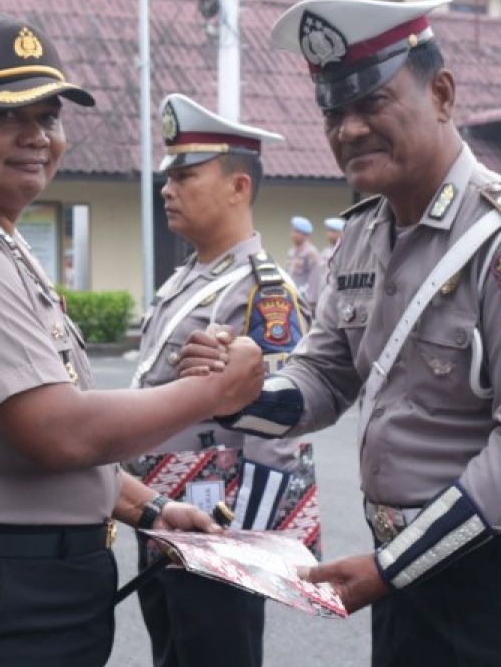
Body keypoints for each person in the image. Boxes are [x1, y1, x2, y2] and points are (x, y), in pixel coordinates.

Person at [181, 0, 501, 665]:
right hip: (410, 571)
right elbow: (325, 375)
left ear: (441, 94)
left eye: (371, 103)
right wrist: (240, 394)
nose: (348, 130)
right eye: (332, 111)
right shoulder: (361, 235)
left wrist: (392, 567)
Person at [0, 12, 263, 666]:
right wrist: (213, 392)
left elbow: (16, 443)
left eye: (48, 117)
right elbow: (57, 431)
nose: (35, 137)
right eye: (3, 116)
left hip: (9, 587)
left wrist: (148, 507)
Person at [130, 93, 309, 667]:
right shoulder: (188, 278)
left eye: (185, 175)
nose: (168, 189)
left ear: (239, 187)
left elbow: (277, 433)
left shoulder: (263, 292)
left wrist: (241, 550)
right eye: (168, 177)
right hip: (163, 510)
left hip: (215, 526)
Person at [310, 216, 345, 304]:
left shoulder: (345, 251)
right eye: (328, 231)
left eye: (333, 231)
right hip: (322, 295)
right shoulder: (325, 252)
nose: (329, 234)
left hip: (337, 296)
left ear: (342, 233)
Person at [287, 216, 321, 305]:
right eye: (293, 231)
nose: (293, 234)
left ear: (306, 235)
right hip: (292, 294)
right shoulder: (292, 252)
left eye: (297, 232)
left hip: (304, 298)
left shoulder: (311, 253)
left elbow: (315, 277)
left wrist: (311, 300)